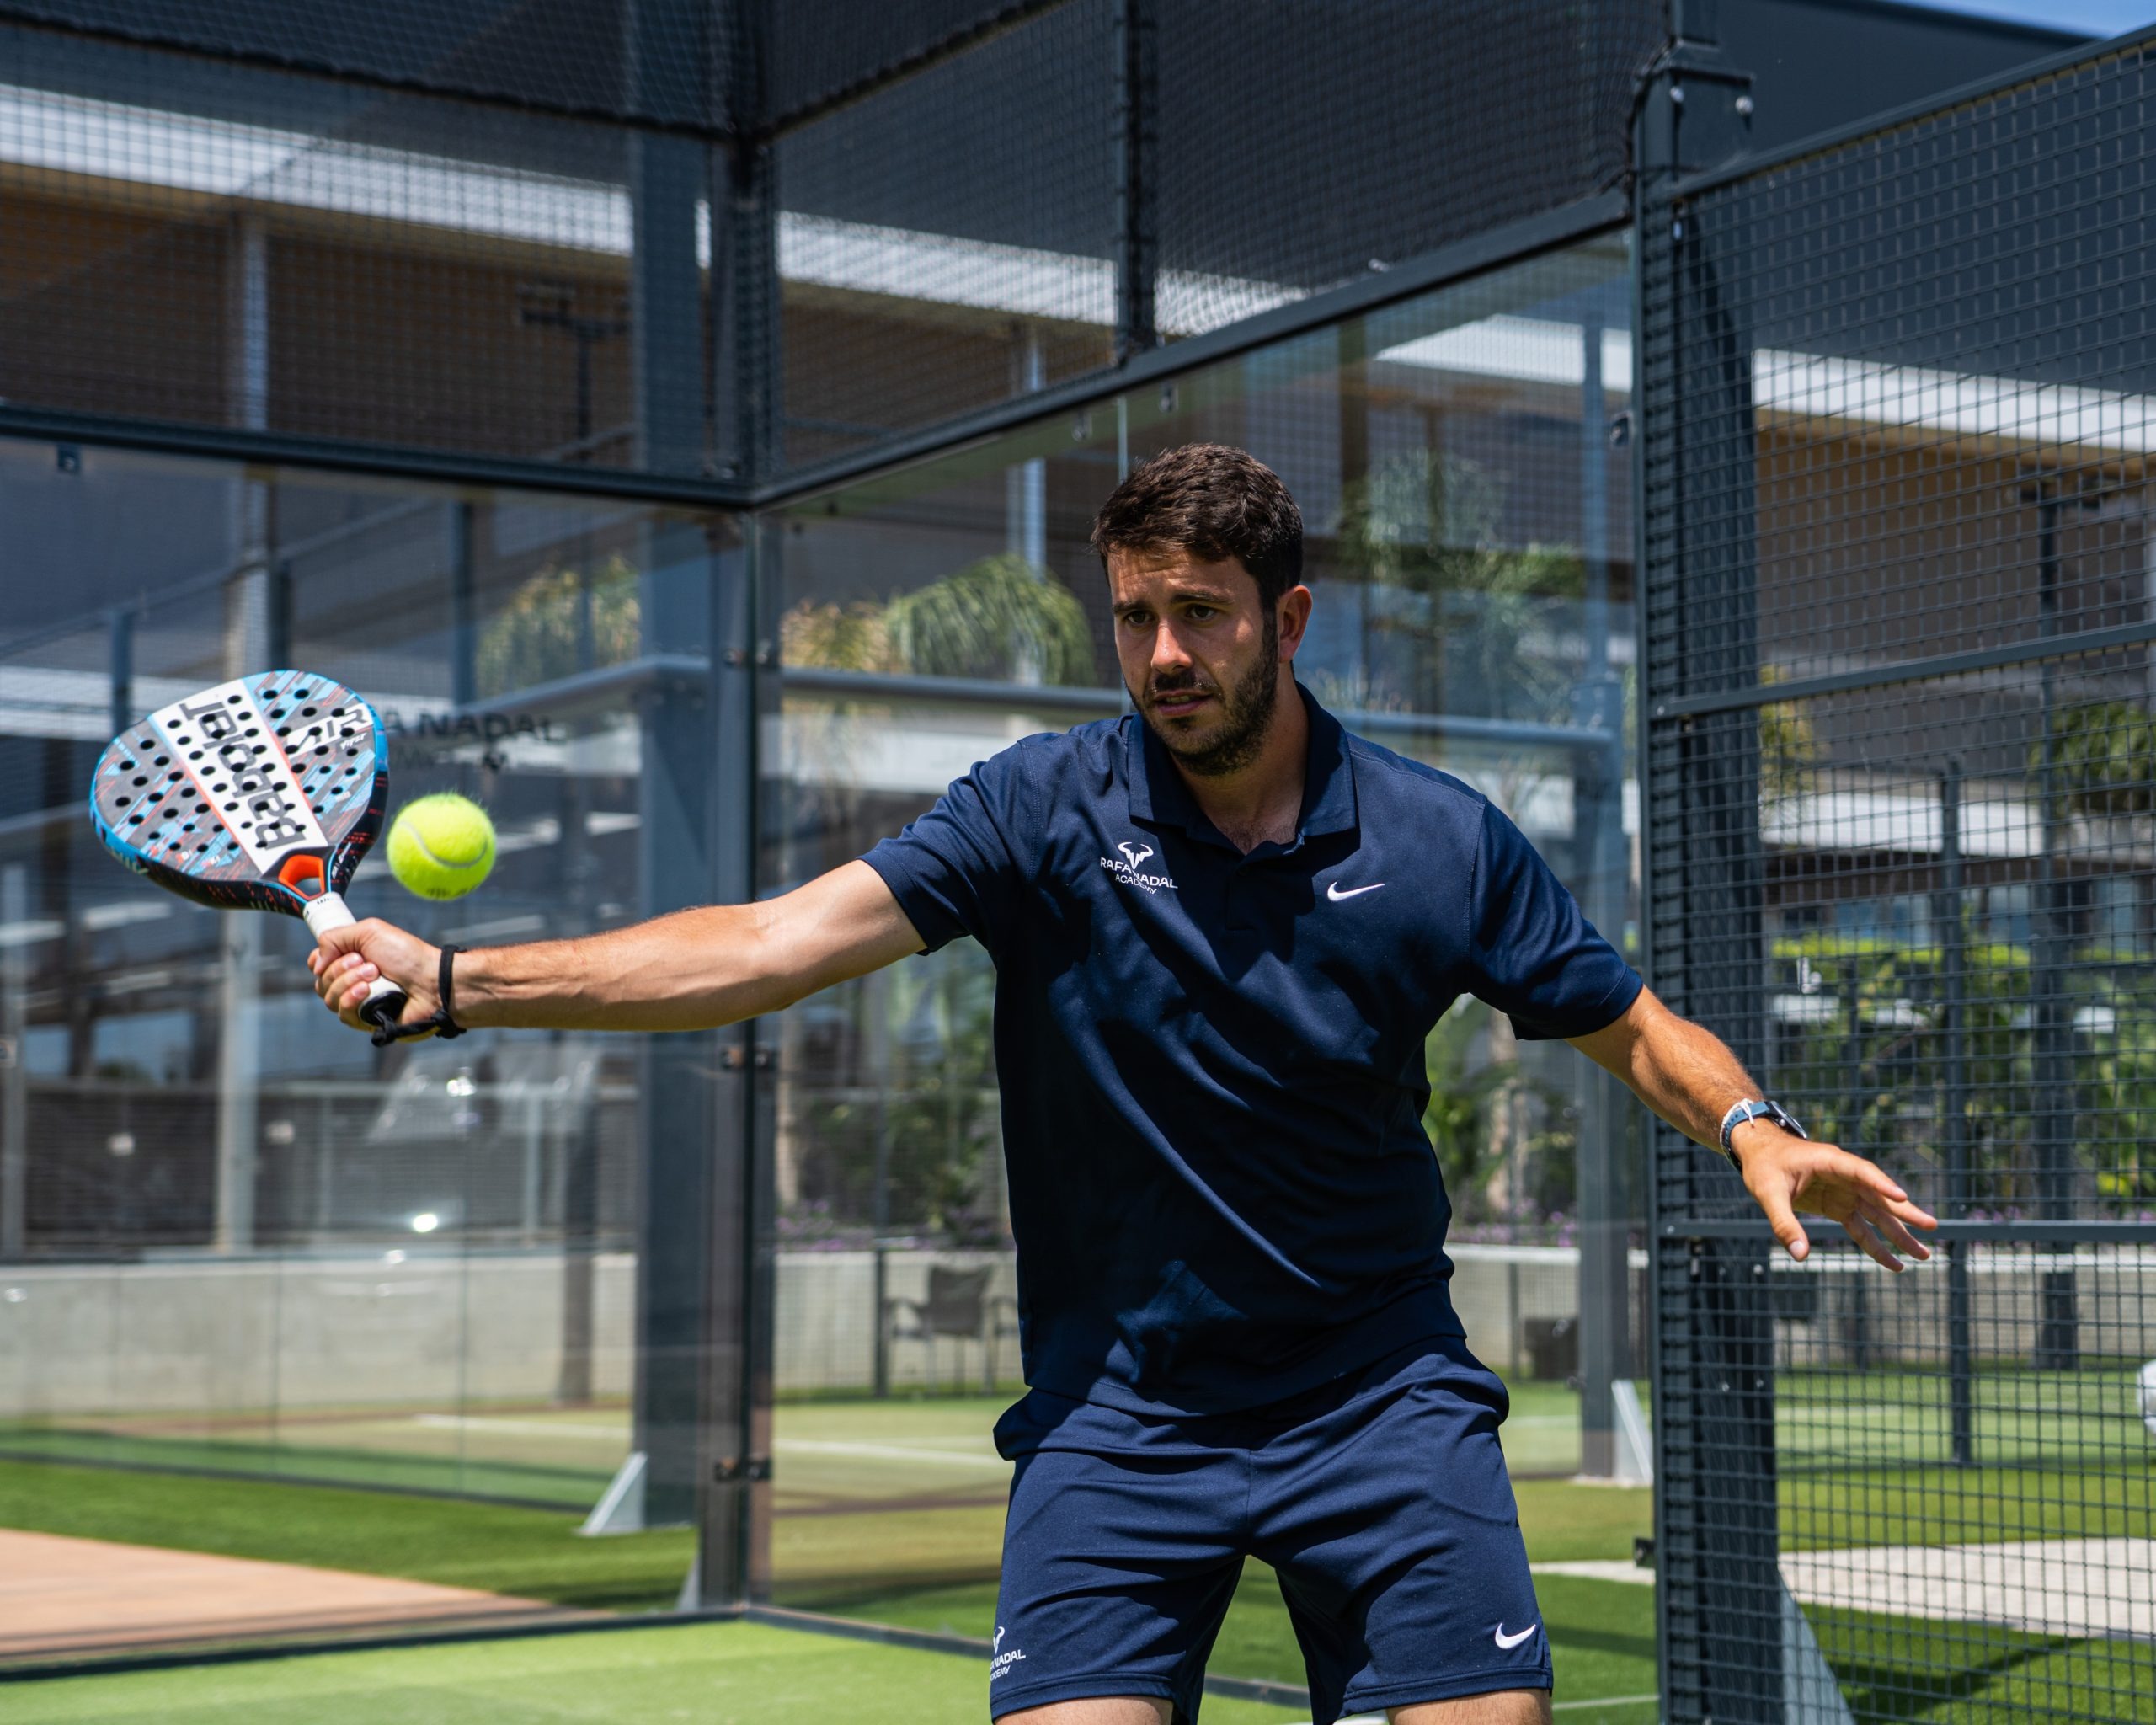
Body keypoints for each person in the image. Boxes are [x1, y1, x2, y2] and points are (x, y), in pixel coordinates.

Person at [312, 444, 1936, 1725]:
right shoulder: (1038, 810)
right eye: (1136, 617)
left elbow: (1632, 1024)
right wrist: (459, 982)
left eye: (1203, 614)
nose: (1164, 653)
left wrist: (1754, 1127)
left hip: (1378, 1393)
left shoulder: (1440, 840)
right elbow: (771, 944)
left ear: (1287, 620)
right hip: (1119, 1416)